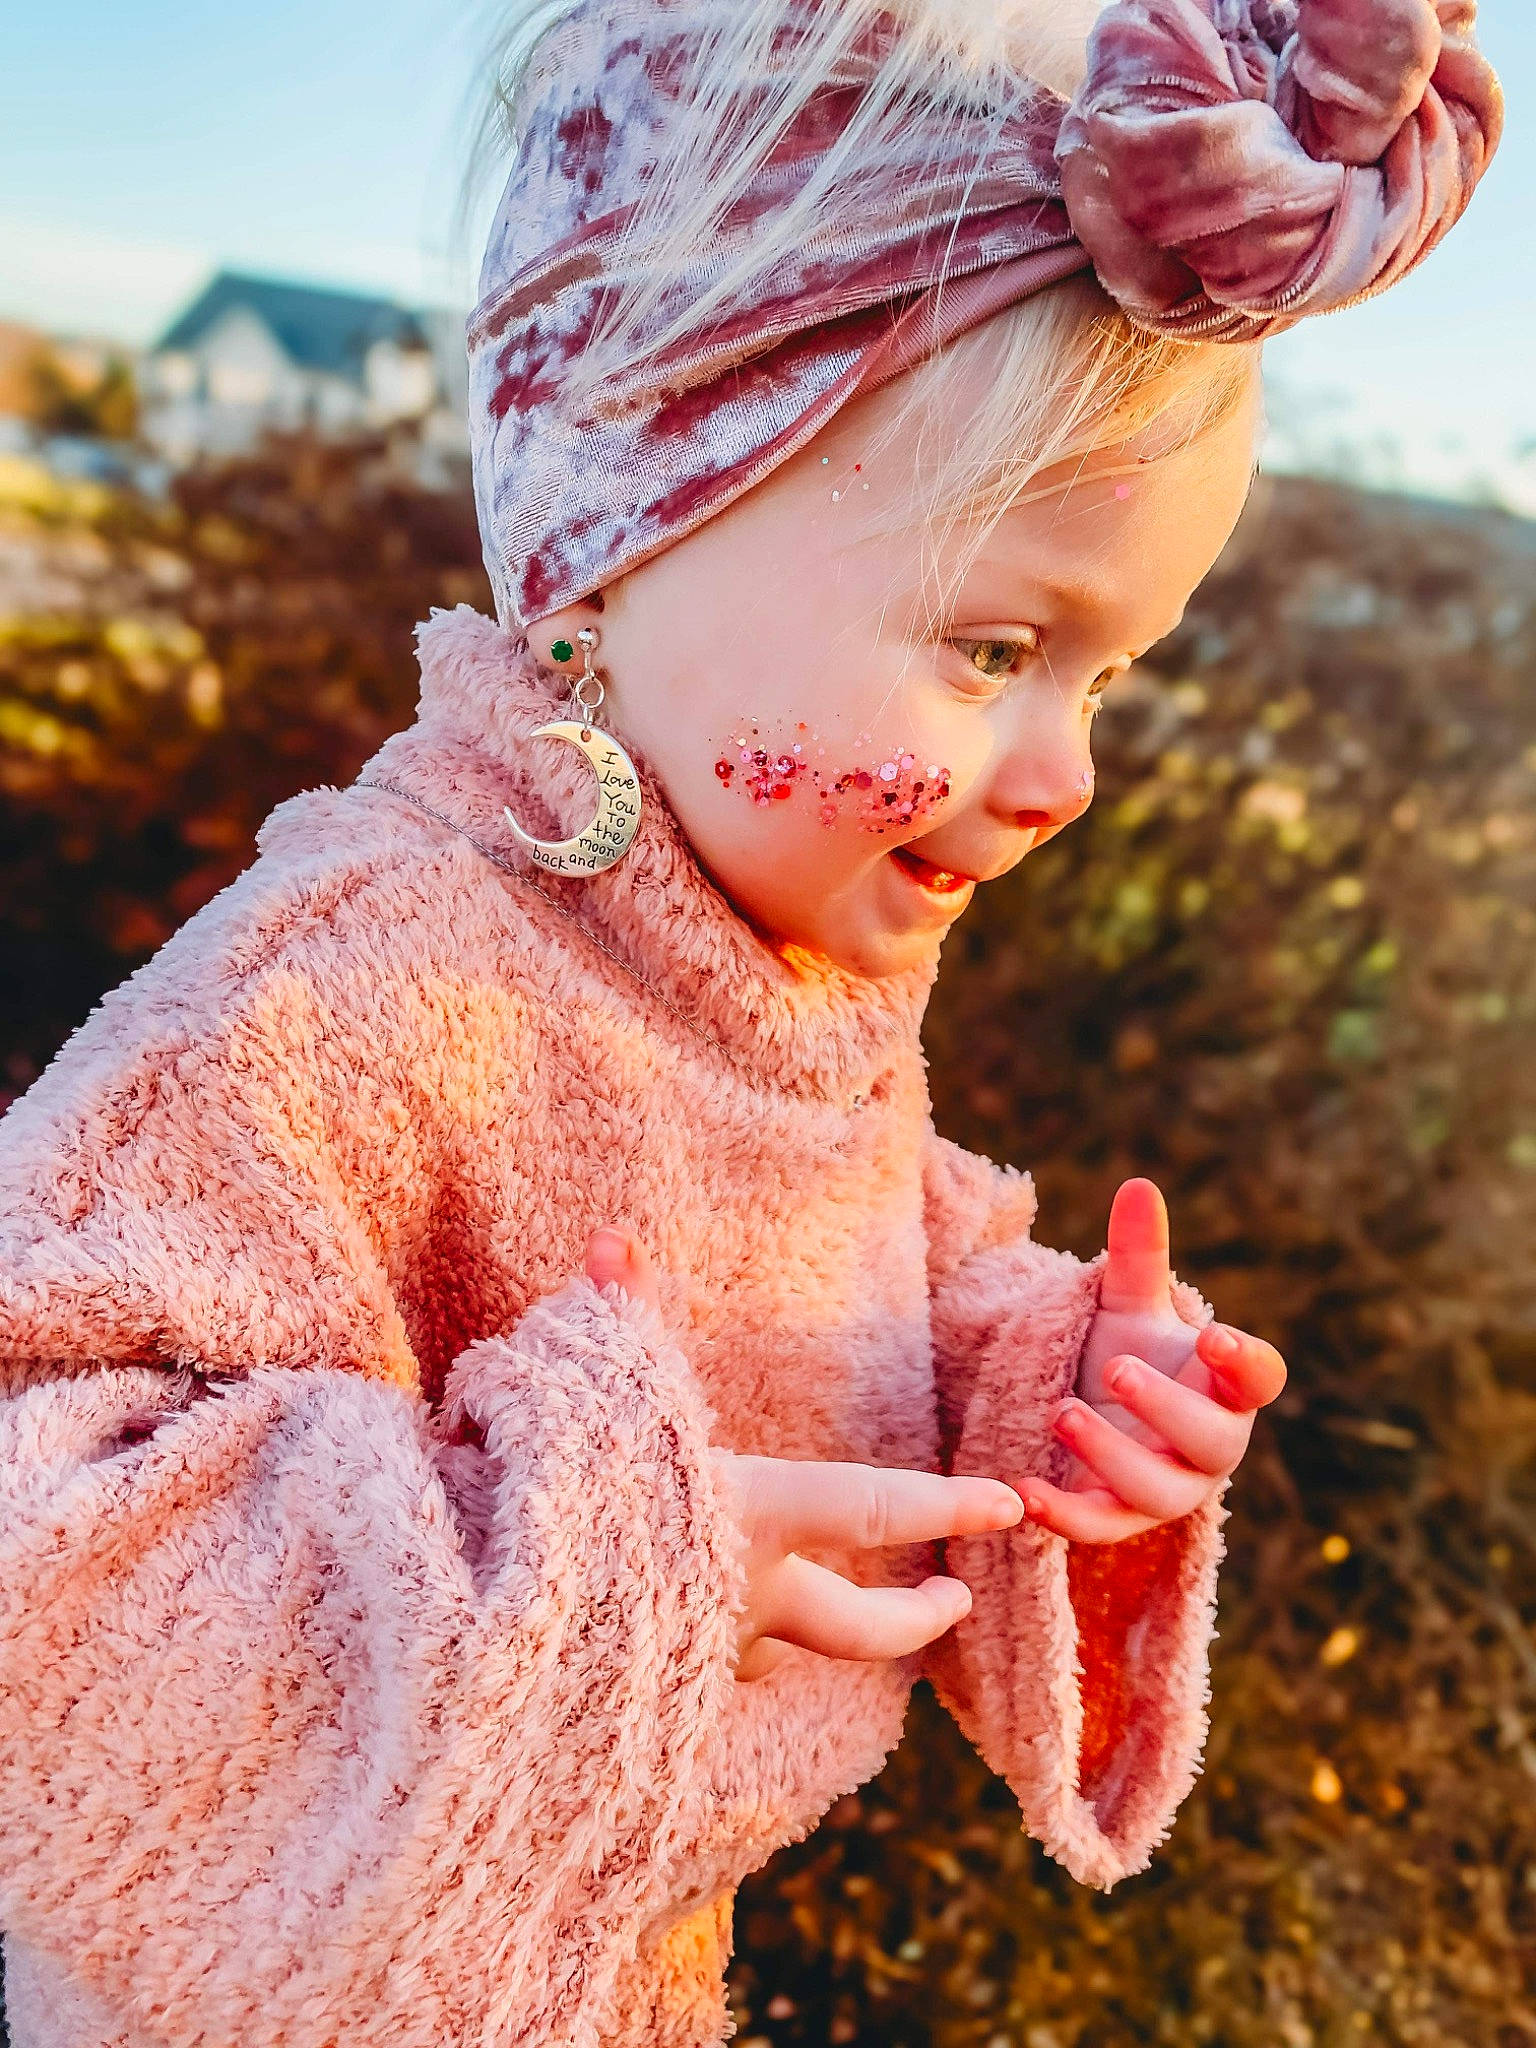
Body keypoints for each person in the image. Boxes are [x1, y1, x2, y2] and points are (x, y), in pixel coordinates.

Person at [0, 0, 1502, 2043]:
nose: (1065, 769)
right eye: (994, 645)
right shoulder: (359, 977)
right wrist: (592, 1567)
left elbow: (838, 1291)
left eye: (1109, 675)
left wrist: (1036, 1395)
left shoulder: (773, 962)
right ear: (625, 535)